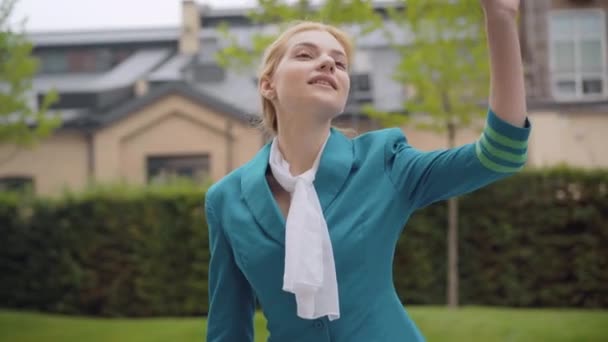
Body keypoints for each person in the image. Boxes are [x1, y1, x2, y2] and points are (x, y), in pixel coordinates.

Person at [205, 0, 530, 341]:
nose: (328, 62)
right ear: (267, 85)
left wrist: (501, 18)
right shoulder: (226, 200)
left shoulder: (385, 161)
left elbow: (501, 154)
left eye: (340, 63)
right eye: (305, 54)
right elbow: (227, 329)